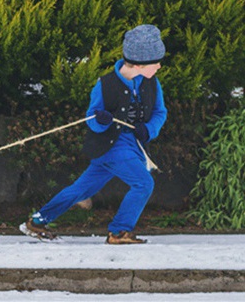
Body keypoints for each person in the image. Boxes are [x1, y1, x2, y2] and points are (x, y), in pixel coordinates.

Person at [20, 24, 167, 244]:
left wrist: (149, 129)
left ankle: (38, 221)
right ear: (138, 64)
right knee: (143, 183)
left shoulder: (152, 84)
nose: (158, 66)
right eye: (154, 62)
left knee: (82, 189)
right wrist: (101, 120)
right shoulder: (105, 85)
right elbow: (92, 119)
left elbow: (159, 112)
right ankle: (119, 232)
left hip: (133, 145)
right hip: (111, 146)